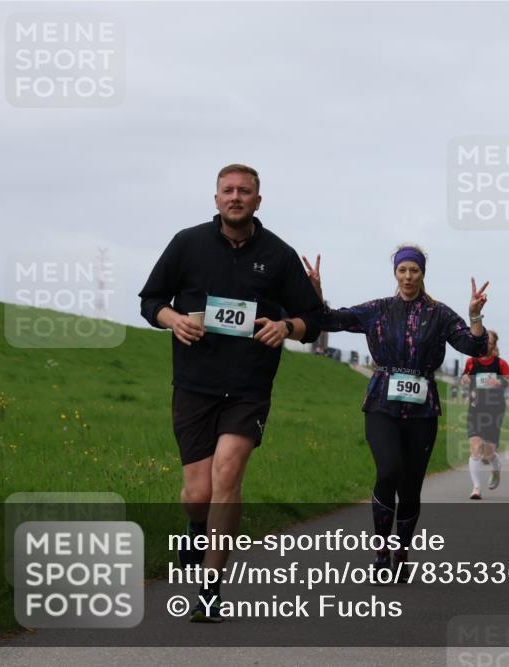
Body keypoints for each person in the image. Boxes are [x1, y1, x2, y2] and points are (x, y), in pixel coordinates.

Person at [139, 164, 323, 621]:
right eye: (228, 190)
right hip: (194, 385)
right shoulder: (187, 243)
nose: (236, 197)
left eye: (245, 191)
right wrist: (173, 319)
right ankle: (195, 528)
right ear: (216, 198)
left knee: (228, 474)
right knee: (197, 492)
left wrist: (286, 326)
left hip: (249, 387)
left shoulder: (279, 255)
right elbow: (150, 300)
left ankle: (209, 588)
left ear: (259, 200)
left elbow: (312, 319)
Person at [302, 246, 488, 574]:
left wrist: (474, 316)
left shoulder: (440, 314)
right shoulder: (379, 310)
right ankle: (381, 555)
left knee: (411, 486)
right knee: (388, 471)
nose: (408, 276)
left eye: (414, 270)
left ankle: (401, 553)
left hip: (422, 411)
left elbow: (473, 347)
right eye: (402, 270)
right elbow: (331, 319)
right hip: (381, 405)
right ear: (395, 273)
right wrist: (316, 289)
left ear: (422, 274)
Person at [459, 330, 509, 499]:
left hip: (495, 409)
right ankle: (476, 488)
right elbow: (464, 378)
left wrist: (500, 382)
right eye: (483, 341)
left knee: (488, 454)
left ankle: (496, 469)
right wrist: (465, 379)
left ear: (494, 345)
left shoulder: (500, 364)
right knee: (475, 447)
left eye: (489, 342)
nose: (485, 345)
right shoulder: (471, 362)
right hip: (475, 409)